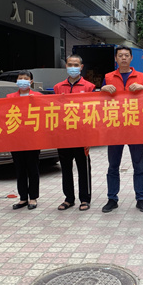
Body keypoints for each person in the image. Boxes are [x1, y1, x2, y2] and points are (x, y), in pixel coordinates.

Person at [100, 46, 143, 213]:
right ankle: (112, 199)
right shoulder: (108, 77)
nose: (123, 58)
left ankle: (141, 199)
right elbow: (98, 102)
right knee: (113, 166)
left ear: (131, 58)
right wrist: (101, 90)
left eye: (126, 55)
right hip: (114, 129)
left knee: (139, 166)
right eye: (120, 55)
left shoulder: (142, 77)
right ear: (115, 58)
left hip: (135, 128)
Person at [53, 55, 96, 212]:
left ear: (81, 67)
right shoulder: (58, 87)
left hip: (81, 136)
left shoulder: (89, 87)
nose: (73, 67)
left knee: (83, 168)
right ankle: (69, 199)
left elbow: (94, 111)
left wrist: (90, 136)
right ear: (66, 66)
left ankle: (85, 199)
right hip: (64, 136)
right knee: (66, 168)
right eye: (70, 64)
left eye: (76, 64)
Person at [7, 70, 42, 211]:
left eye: (25, 78)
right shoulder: (10, 97)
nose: (22, 81)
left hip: (33, 139)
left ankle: (33, 197)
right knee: (20, 169)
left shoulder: (38, 96)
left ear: (31, 81)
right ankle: (23, 197)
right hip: (16, 139)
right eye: (20, 78)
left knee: (33, 169)